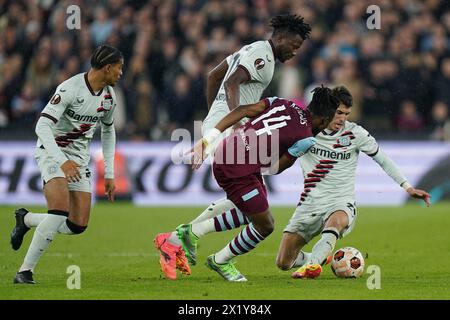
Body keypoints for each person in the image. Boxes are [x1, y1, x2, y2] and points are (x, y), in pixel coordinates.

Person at [154, 13, 312, 277]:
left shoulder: (251, 48)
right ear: (281, 38)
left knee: (247, 203)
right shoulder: (263, 57)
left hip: (225, 124)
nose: (295, 52)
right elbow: (230, 82)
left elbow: (212, 77)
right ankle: (176, 239)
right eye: (294, 46)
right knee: (252, 208)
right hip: (233, 131)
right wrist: (234, 124)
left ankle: (178, 238)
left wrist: (215, 117)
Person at [155, 86, 340, 281]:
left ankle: (176, 238)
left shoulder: (283, 103)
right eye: (326, 125)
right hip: (237, 168)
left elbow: (242, 110)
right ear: (323, 120)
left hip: (229, 151)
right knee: (265, 225)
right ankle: (215, 255)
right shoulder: (305, 137)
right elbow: (276, 169)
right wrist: (293, 152)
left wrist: (210, 139)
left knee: (254, 211)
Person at [275, 86, 431, 279]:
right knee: (283, 262)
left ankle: (313, 265)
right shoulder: (307, 132)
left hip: (341, 201)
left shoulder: (356, 134)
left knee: (336, 221)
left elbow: (382, 159)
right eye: (339, 112)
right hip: (309, 204)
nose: (342, 118)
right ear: (327, 110)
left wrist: (407, 186)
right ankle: (319, 257)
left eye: (346, 114)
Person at [10, 45, 123, 284]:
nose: (121, 73)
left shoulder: (109, 97)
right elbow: (41, 126)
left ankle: (27, 220)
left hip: (79, 161)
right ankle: (25, 271)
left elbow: (108, 132)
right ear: (108, 68)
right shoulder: (70, 89)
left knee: (77, 224)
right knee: (58, 209)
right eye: (119, 68)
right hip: (53, 153)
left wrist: (110, 173)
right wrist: (62, 162)